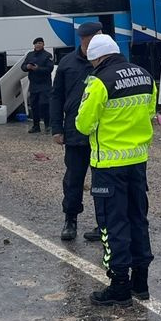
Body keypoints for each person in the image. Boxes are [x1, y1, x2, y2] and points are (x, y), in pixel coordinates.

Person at [74, 34, 157, 305]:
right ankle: (141, 281)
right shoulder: (145, 75)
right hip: (138, 160)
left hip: (108, 164)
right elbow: (151, 112)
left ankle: (119, 285)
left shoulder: (99, 81)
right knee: (138, 218)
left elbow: (83, 124)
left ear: (97, 58)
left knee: (112, 223)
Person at [49, 21, 102, 241]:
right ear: (83, 39)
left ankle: (104, 223)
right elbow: (56, 96)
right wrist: (56, 128)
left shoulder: (105, 63)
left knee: (102, 182)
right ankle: (70, 220)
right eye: (94, 37)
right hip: (74, 132)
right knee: (73, 179)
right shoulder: (67, 63)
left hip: (101, 133)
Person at [21, 37, 54, 133]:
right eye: (36, 43)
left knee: (44, 104)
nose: (38, 45)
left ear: (43, 44)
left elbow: (49, 69)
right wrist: (27, 67)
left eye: (40, 43)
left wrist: (38, 69)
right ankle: (36, 126)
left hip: (45, 85)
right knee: (34, 105)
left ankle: (48, 125)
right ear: (34, 45)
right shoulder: (30, 55)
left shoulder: (47, 55)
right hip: (34, 84)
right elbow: (22, 66)